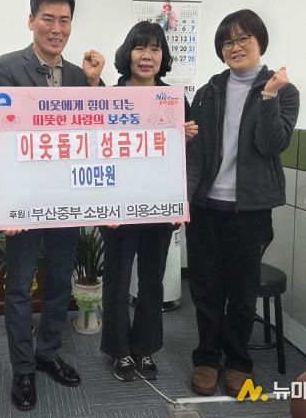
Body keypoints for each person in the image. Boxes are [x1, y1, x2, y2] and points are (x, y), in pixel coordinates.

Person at [0, 0, 105, 411]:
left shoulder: (77, 75)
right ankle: (23, 368)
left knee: (58, 280)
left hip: (66, 196)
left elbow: (97, 128)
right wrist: (2, 201)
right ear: (31, 21)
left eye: (64, 20)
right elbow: (0, 134)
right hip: (23, 199)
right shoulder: (6, 68)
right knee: (20, 285)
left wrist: (94, 84)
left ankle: (48, 353)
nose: (57, 29)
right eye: (48, 19)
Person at [185, 9, 299, 397]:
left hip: (250, 210)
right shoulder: (209, 92)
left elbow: (271, 144)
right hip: (206, 207)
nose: (235, 47)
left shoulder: (283, 90)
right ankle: (206, 358)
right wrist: (187, 199)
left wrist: (268, 97)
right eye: (227, 42)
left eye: (243, 39)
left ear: (259, 41)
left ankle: (237, 362)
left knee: (242, 291)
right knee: (205, 288)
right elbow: (197, 151)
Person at [100, 21, 197, 382]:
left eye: (155, 49)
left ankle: (144, 348)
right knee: (117, 280)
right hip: (118, 205)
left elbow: (183, 158)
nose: (147, 56)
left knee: (153, 280)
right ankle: (119, 350)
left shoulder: (174, 99)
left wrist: (185, 137)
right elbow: (96, 148)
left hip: (159, 203)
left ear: (162, 56)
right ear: (128, 53)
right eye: (140, 47)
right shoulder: (110, 96)